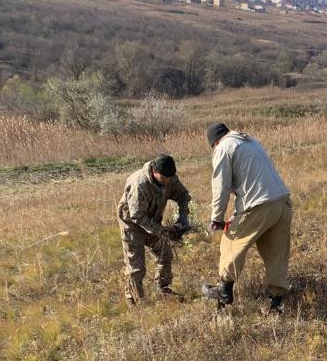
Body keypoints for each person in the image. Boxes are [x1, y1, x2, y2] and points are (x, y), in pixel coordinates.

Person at [201, 123, 292, 314]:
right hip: (282, 202)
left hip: (258, 205)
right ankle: (276, 302)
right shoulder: (251, 142)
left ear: (214, 142)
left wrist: (216, 218)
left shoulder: (223, 148)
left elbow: (221, 186)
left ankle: (223, 290)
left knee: (231, 242)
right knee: (276, 252)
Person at [116, 154, 191, 306]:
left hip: (153, 221)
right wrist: (161, 231)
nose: (168, 181)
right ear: (154, 172)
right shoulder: (140, 184)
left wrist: (183, 217)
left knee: (166, 255)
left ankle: (164, 289)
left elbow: (183, 196)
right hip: (132, 224)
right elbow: (137, 216)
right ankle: (135, 300)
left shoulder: (170, 177)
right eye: (164, 177)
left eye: (170, 177)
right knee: (136, 266)